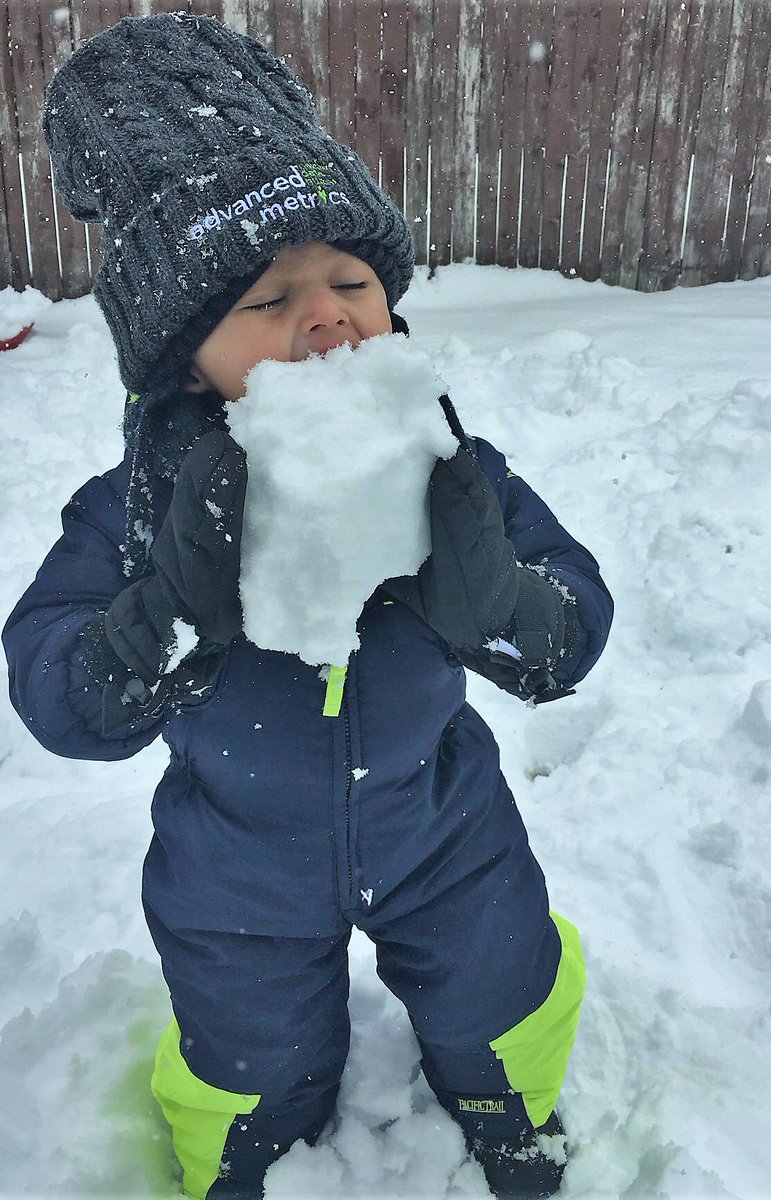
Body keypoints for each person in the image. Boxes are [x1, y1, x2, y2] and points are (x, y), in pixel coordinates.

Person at [3, 13, 613, 1200]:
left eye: (352, 281)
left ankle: (509, 1106)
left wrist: (499, 600)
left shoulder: (450, 473)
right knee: (248, 1055)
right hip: (237, 864)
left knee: (504, 987)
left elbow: (572, 614)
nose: (329, 314)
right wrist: (161, 613)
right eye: (271, 300)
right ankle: (252, 1143)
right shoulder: (136, 508)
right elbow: (54, 685)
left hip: (444, 828)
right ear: (187, 357)